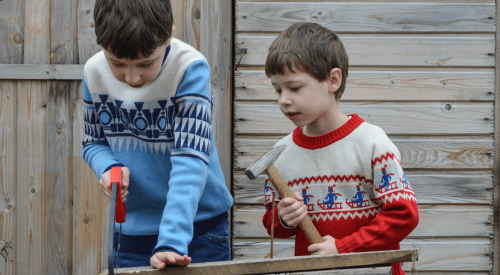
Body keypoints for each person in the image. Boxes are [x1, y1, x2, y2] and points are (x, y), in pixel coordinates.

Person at [82, 0, 233, 269]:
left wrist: (172, 241)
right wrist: (108, 167)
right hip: (130, 233)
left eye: (145, 64)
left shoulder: (189, 68)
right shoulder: (93, 73)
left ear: (169, 36)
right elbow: (94, 142)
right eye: (116, 63)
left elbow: (190, 158)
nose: (132, 78)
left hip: (198, 230)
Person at [262, 22, 419, 275]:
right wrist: (282, 218)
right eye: (277, 89)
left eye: (294, 88)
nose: (283, 100)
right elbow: (273, 226)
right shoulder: (281, 153)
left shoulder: (371, 143)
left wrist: (345, 247)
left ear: (333, 80)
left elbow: (403, 214)